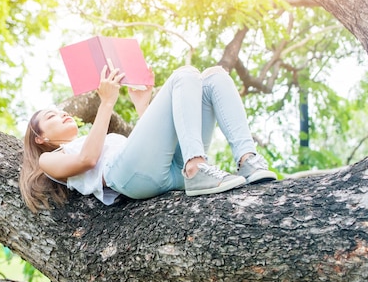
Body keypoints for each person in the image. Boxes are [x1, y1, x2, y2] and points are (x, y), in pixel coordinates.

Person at [19, 64, 277, 212]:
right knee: (184, 75)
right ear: (40, 138)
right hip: (126, 179)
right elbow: (87, 160)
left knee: (214, 77)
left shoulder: (93, 138)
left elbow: (155, 148)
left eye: (62, 111)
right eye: (51, 116)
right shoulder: (50, 160)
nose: (62, 114)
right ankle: (197, 167)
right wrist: (106, 102)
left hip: (168, 170)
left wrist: (142, 104)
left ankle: (247, 160)